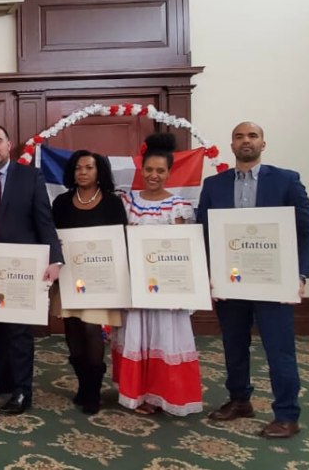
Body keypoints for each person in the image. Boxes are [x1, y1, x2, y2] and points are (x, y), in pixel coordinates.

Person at [198, 121, 309, 439]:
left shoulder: (286, 180)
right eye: (239, 136)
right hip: (230, 283)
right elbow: (204, 234)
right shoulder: (214, 185)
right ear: (231, 145)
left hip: (274, 282)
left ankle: (287, 414)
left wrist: (301, 273)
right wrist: (208, 276)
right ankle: (240, 400)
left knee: (279, 350)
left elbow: (307, 230)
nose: (245, 141)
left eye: (252, 136)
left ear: (263, 144)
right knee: (233, 345)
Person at [0, 125, 64, 415]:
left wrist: (55, 258)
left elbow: (44, 220)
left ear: (9, 145)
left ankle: (22, 391)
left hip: (22, 268)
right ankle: (3, 381)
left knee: (19, 332)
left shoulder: (30, 176)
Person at [113, 133, 202, 417]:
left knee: (165, 338)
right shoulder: (127, 202)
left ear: (169, 172)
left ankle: (165, 394)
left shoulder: (178, 206)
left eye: (160, 171)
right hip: (135, 286)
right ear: (142, 170)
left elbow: (182, 248)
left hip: (166, 288)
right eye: (149, 169)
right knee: (137, 336)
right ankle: (136, 393)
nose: (153, 175)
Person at [50, 150, 128, 414]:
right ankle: (82, 385)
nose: (82, 172)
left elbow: (121, 241)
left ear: (99, 172)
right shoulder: (61, 202)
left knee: (92, 331)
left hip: (100, 280)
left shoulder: (112, 203)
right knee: (72, 332)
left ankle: (93, 389)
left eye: (89, 168)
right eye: (78, 168)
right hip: (69, 277)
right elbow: (53, 238)